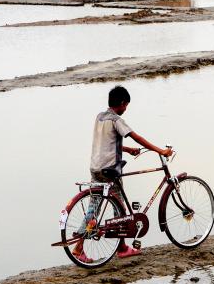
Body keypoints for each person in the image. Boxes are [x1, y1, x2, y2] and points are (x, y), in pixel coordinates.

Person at [72, 85, 174, 263]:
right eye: (126, 105)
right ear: (121, 103)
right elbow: (137, 137)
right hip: (110, 170)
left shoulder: (100, 117)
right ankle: (122, 248)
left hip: (96, 168)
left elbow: (107, 142)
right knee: (120, 209)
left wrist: (126, 150)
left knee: (93, 209)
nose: (126, 108)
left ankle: (79, 247)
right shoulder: (116, 120)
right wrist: (161, 151)